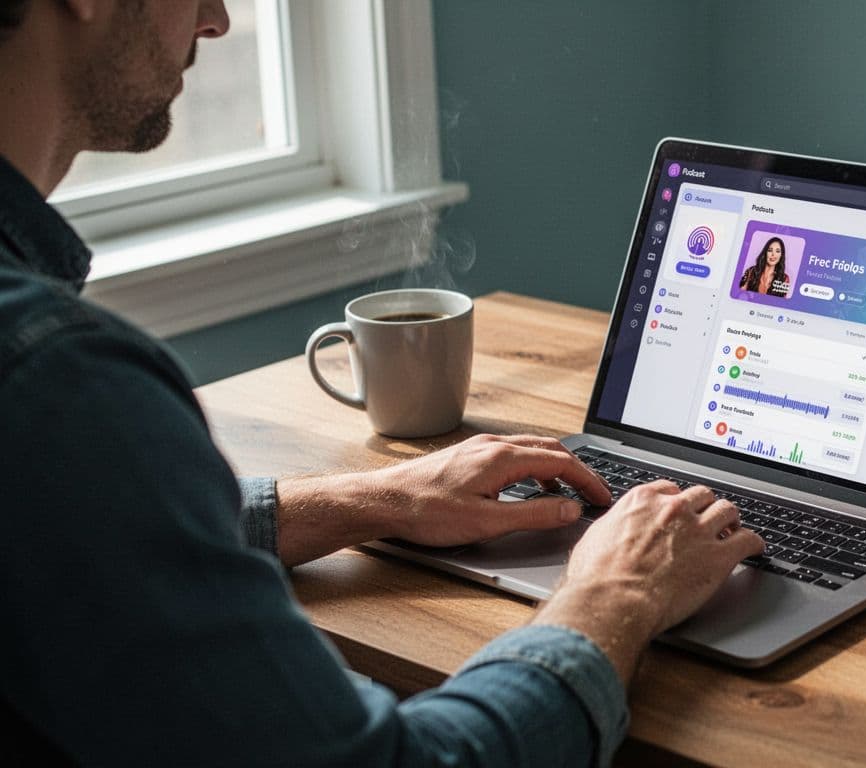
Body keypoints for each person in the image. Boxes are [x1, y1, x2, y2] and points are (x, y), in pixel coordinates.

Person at [0, 2, 762, 766]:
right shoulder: (60, 380)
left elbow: (83, 531)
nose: (217, 19)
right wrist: (616, 595)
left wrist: (375, 499)